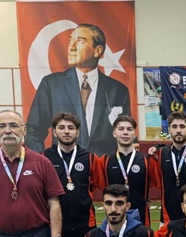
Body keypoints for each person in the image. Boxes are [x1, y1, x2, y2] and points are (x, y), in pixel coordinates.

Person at [25, 23, 131, 156]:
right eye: (70, 40)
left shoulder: (118, 90)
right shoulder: (51, 84)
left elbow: (126, 132)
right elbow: (34, 130)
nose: (71, 47)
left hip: (104, 165)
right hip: (64, 164)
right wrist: (42, 161)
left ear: (97, 50)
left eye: (80, 41)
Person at [147, 112, 186, 224]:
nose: (178, 130)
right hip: (167, 216)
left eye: (182, 126)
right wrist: (156, 146)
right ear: (169, 130)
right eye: (174, 127)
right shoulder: (161, 153)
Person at [98, 116, 156, 227]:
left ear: (134, 134)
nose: (125, 132)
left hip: (141, 218)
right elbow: (100, 185)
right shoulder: (105, 161)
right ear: (114, 133)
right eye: (121, 129)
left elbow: (157, 183)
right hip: (114, 218)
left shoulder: (147, 160)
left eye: (129, 129)